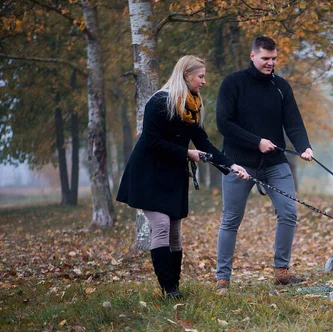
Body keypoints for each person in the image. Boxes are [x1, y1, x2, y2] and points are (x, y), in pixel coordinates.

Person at [117, 55, 250, 299]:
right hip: (148, 174)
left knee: (175, 232)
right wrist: (187, 153)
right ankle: (168, 288)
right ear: (186, 75)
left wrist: (231, 165)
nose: (204, 81)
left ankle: (174, 287)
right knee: (161, 225)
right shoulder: (158, 102)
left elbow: (204, 143)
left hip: (173, 175)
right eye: (201, 76)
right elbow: (152, 142)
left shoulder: (192, 106)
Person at [215, 36, 313, 291]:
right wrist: (256, 141)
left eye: (274, 59)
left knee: (288, 212)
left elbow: (293, 122)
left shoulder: (281, 87)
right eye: (265, 58)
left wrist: (304, 147)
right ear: (252, 56)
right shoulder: (233, 83)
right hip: (238, 164)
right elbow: (224, 124)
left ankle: (281, 271)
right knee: (231, 220)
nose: (270, 63)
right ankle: (222, 278)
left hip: (275, 163)